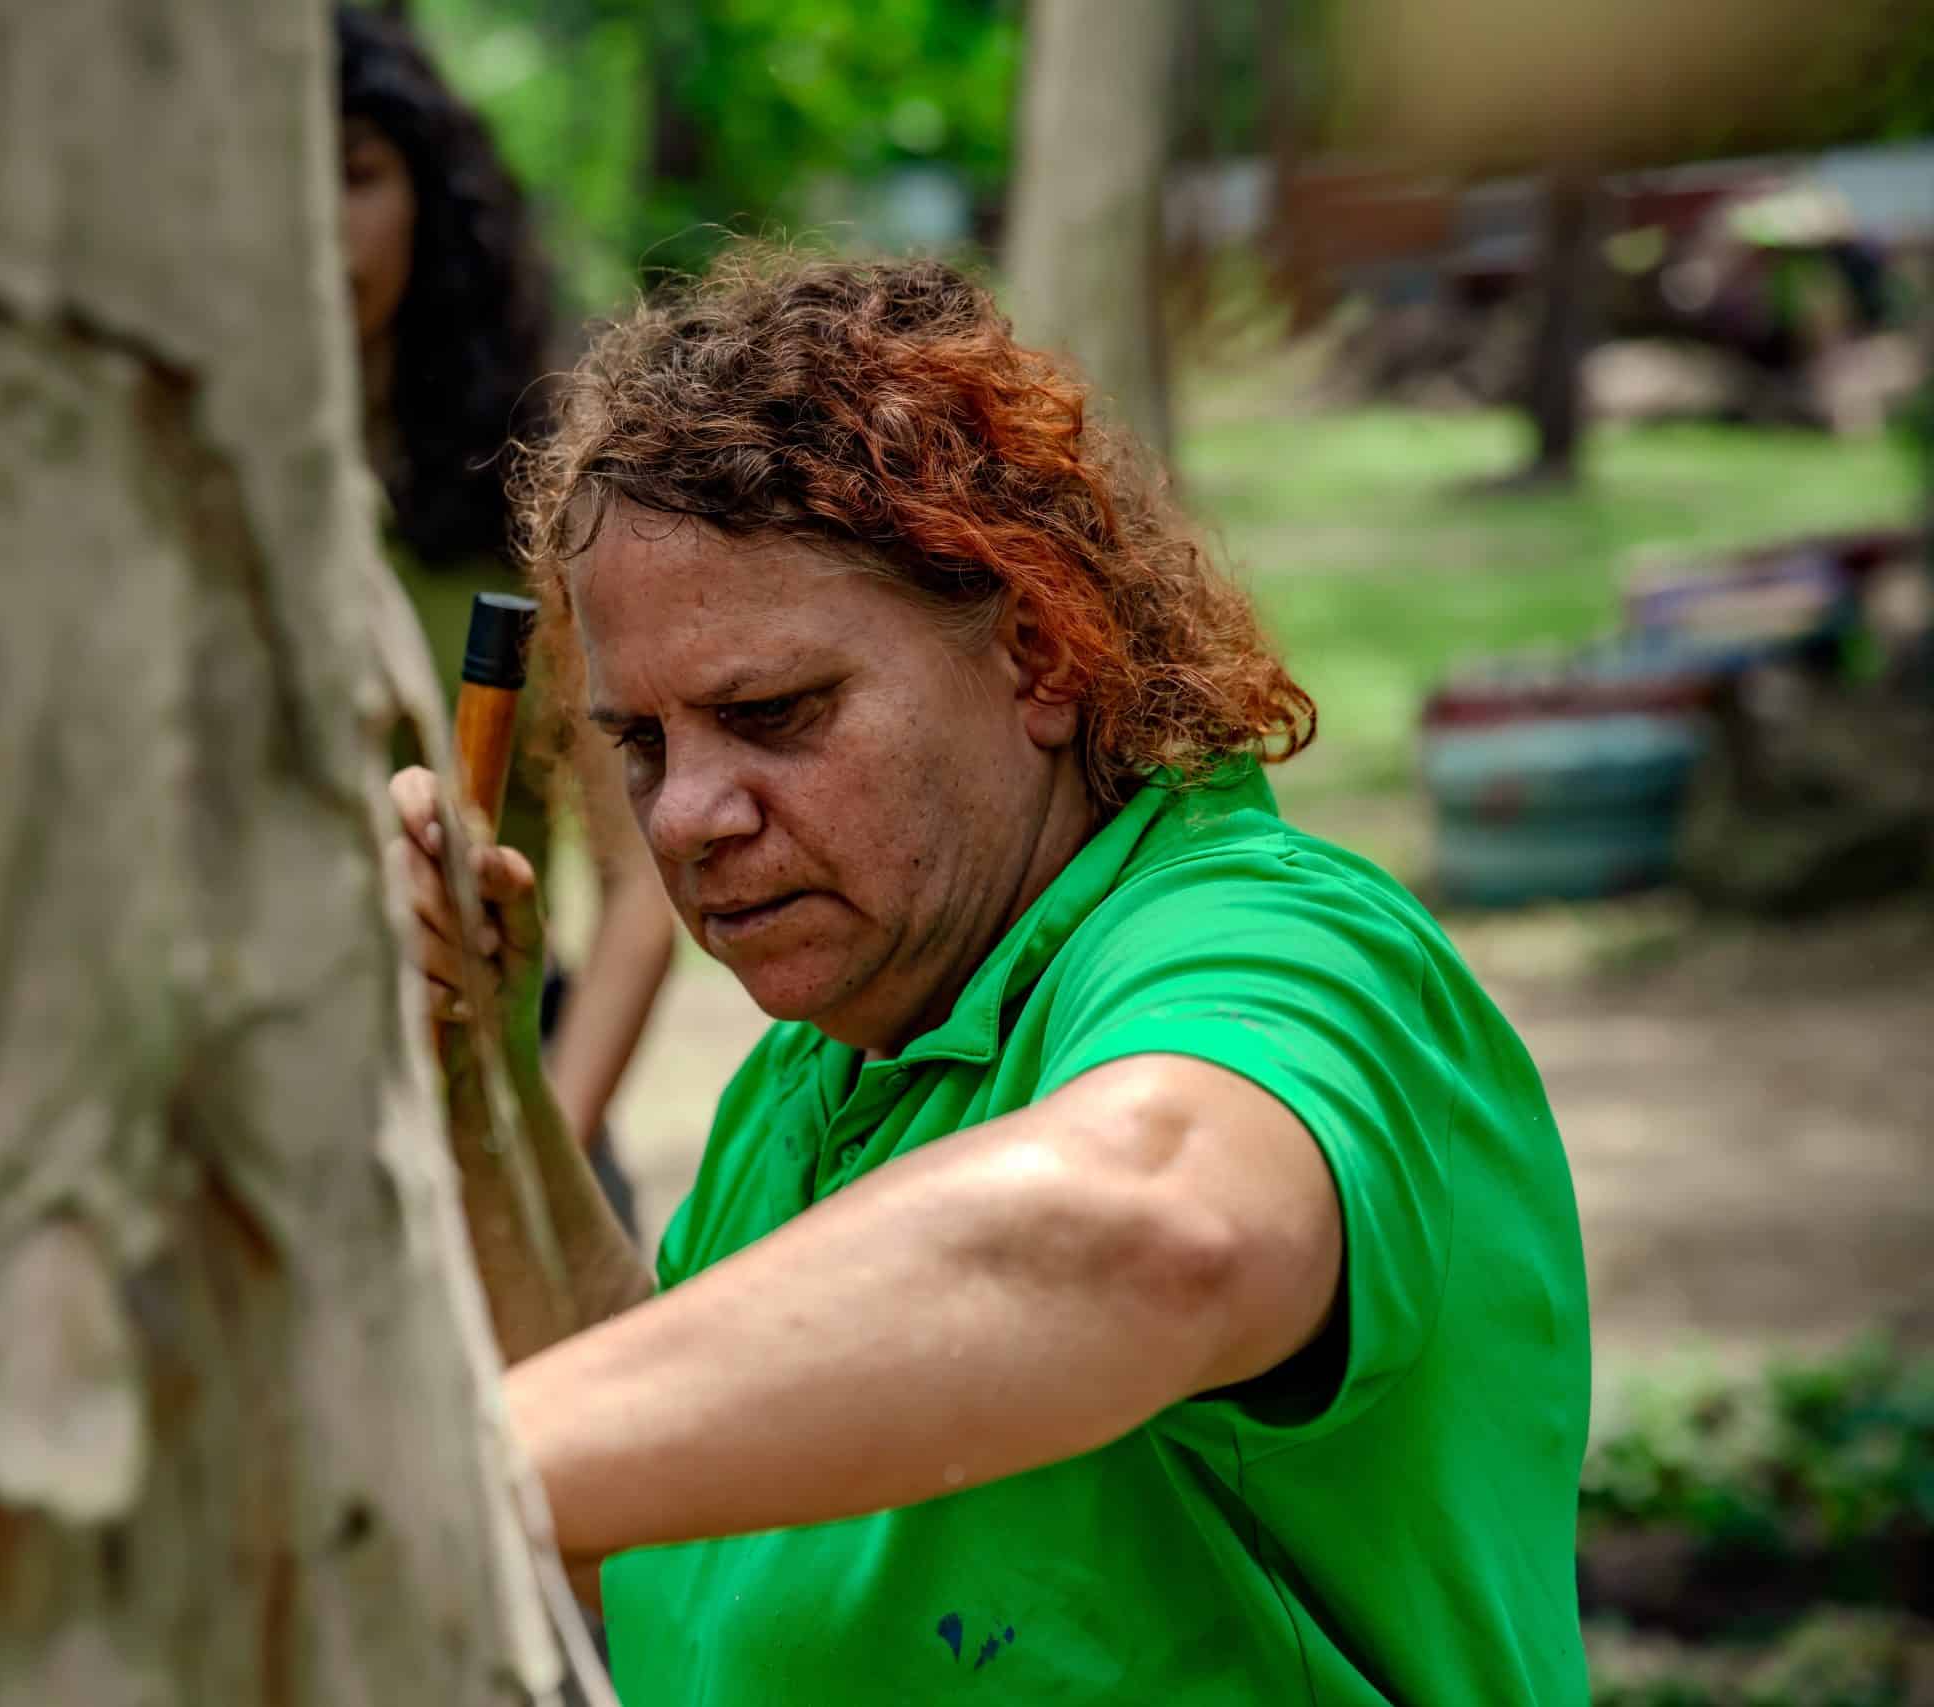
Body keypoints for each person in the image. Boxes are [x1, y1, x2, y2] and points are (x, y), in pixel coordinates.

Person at [389, 250, 1592, 1704]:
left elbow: (1152, 1226)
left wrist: (424, 1466)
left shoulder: (1275, 946)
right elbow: (658, 1513)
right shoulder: (823, 1071)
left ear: (1038, 649)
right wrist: (485, 1075)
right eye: (642, 742)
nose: (686, 815)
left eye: (770, 713)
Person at [337, 6, 673, 1228]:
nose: (322, 226)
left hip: (512, 1104)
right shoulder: (179, 514)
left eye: (358, 173)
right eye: (286, 178)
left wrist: (532, 1163)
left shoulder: (532, 491)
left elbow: (639, 899)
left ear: (429, 199)